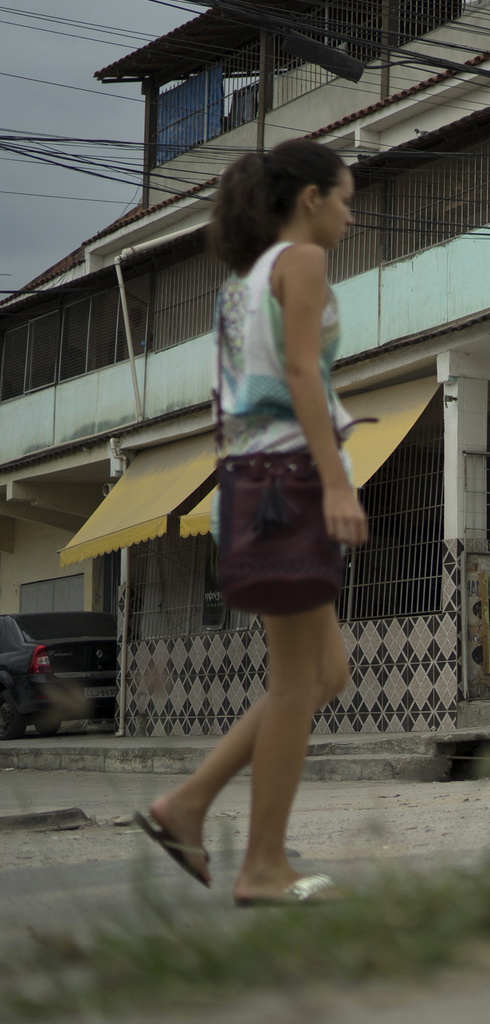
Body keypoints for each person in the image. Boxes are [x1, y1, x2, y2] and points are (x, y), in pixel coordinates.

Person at [136, 141, 365, 906]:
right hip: (287, 481)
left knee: (324, 673)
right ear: (309, 199)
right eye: (343, 198)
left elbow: (252, 391)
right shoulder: (299, 263)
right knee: (299, 680)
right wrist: (334, 483)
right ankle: (263, 865)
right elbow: (301, 370)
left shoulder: (241, 283)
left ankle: (189, 804)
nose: (349, 213)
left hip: (247, 480)